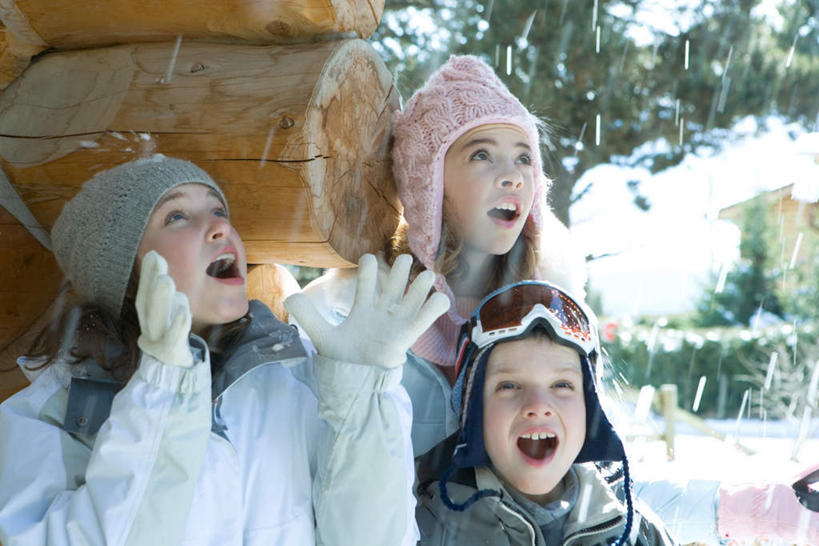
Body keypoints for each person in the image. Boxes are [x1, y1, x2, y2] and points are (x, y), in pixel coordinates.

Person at [0, 156, 448, 545]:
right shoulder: (49, 415)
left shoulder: (296, 380)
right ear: (122, 269)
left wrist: (362, 394)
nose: (220, 227)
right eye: (176, 216)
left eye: (218, 210)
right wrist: (160, 393)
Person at [299, 54, 588, 458]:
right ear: (427, 185)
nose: (514, 175)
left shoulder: (557, 313)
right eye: (482, 155)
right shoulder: (352, 310)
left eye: (524, 157)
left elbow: (582, 469)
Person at [414, 280, 676, 545]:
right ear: (473, 413)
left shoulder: (637, 533)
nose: (538, 406)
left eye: (562, 385)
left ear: (590, 407)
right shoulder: (420, 527)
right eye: (509, 386)